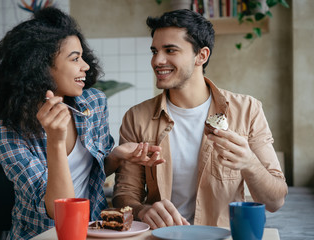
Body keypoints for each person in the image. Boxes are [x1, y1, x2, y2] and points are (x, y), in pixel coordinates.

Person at [0, 7, 163, 239]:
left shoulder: (93, 103)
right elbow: (56, 209)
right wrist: (55, 140)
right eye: (75, 58)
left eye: (83, 57)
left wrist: (116, 156)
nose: (85, 65)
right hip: (40, 234)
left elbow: (91, 175)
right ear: (39, 67)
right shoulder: (8, 132)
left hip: (92, 231)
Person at [112, 9, 288, 229]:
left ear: (201, 56)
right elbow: (124, 195)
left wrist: (250, 163)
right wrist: (143, 210)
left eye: (170, 50)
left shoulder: (247, 110)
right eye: (154, 51)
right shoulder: (137, 117)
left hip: (222, 235)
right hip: (162, 236)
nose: (158, 60)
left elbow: (275, 201)